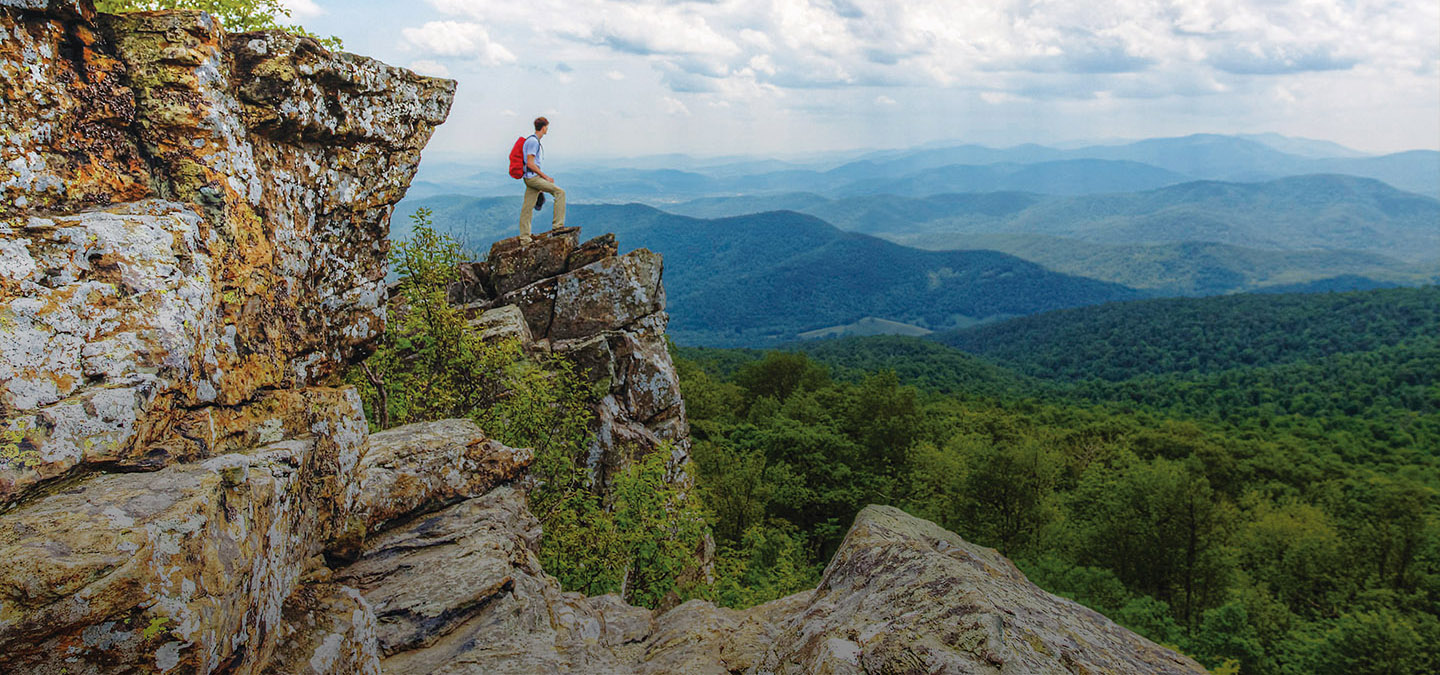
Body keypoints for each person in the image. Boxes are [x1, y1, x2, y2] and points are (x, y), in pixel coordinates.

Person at [518, 116, 565, 243]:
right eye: (547, 127)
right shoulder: (533, 142)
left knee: (527, 209)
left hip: (529, 178)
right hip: (533, 178)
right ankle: (558, 226)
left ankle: (524, 238)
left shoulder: (531, 140)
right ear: (543, 127)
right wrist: (545, 177)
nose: (547, 130)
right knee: (560, 193)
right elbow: (530, 164)